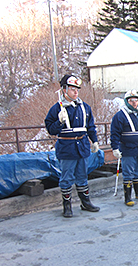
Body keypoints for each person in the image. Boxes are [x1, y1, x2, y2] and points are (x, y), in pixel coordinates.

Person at [45, 74, 100, 218]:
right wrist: (59, 121)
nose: (76, 92)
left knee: (82, 176)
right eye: (72, 89)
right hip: (67, 148)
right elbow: (51, 130)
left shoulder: (85, 107)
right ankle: (67, 205)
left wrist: (94, 141)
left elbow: (90, 126)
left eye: (77, 89)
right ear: (64, 90)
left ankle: (85, 202)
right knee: (66, 178)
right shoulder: (57, 108)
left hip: (82, 146)